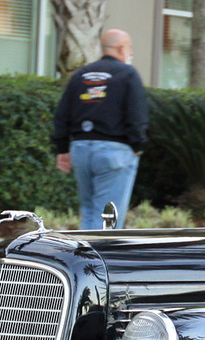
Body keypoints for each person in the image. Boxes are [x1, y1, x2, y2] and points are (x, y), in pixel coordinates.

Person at [53, 29, 149, 229]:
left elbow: (62, 114)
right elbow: (137, 115)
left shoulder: (80, 74)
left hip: (80, 149)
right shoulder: (127, 74)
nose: (130, 53)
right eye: (130, 48)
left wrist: (62, 149)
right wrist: (137, 145)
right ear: (122, 48)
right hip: (114, 151)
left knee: (88, 212)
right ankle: (100, 260)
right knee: (108, 219)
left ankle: (83, 258)